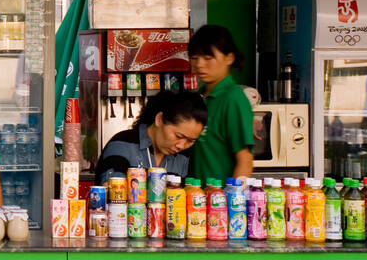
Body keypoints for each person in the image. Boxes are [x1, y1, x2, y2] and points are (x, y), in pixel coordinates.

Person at [188, 24, 254, 181]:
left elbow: (245, 160)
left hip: (219, 202)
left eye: (208, 58)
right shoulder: (199, 97)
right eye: (194, 58)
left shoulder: (233, 98)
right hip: (195, 198)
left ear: (229, 58)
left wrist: (232, 199)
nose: (199, 65)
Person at [96, 90, 207, 181]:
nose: (181, 146)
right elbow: (113, 192)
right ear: (159, 119)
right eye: (179, 136)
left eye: (191, 141)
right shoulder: (122, 144)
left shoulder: (182, 156)